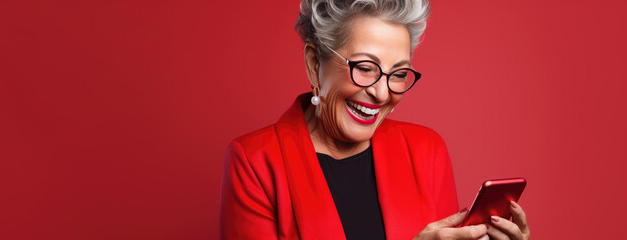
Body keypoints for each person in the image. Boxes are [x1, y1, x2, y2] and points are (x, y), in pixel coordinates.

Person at [219, 0, 530, 239]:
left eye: (397, 74)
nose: (382, 94)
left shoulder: (426, 151)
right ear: (315, 64)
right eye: (366, 68)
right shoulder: (254, 162)